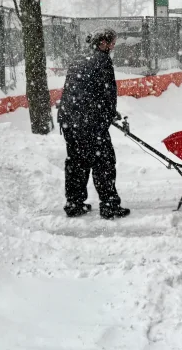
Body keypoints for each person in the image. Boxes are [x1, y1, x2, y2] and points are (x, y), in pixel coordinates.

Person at [57, 28, 130, 220]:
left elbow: (75, 91)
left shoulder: (79, 59)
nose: (113, 46)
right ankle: (109, 205)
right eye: (111, 43)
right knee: (104, 161)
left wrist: (103, 113)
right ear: (103, 43)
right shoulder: (103, 61)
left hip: (69, 120)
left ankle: (74, 203)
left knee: (77, 161)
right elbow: (108, 93)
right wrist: (107, 115)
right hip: (89, 122)